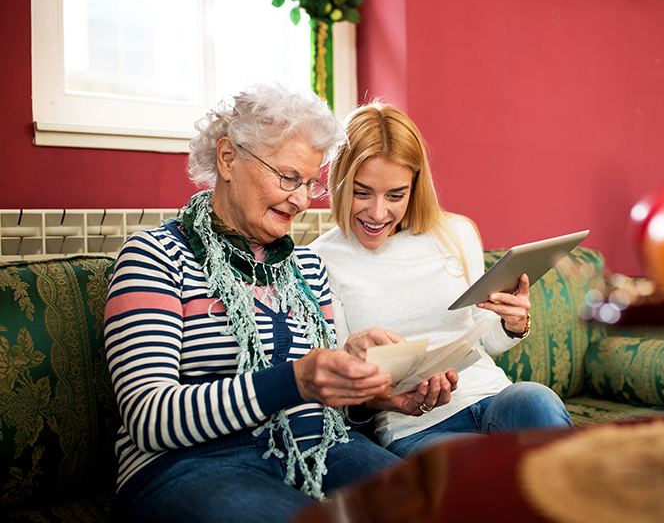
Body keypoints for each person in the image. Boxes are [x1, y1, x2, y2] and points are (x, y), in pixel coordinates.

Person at [103, 84, 450, 523]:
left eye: (310, 183)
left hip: (320, 449)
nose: (303, 200)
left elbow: (328, 406)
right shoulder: (155, 257)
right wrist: (296, 379)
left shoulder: (308, 267)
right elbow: (150, 417)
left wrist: (376, 397)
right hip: (194, 465)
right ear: (228, 158)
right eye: (288, 178)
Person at [310, 102, 573, 459]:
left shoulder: (456, 233)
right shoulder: (318, 260)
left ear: (415, 187)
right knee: (475, 469)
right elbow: (339, 384)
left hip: (491, 396)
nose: (377, 212)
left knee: (537, 399)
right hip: (415, 427)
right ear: (339, 182)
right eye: (362, 192)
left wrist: (513, 324)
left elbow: (482, 335)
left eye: (395, 195)